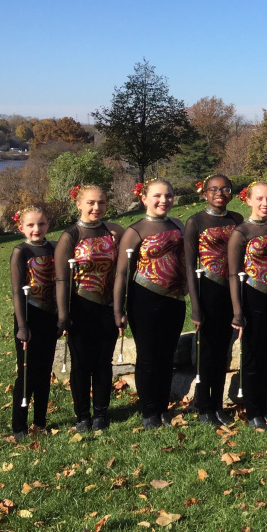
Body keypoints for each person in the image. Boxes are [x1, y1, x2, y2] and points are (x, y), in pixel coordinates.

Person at [115, 179, 186, 429]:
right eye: (157, 196)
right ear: (144, 198)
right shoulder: (135, 231)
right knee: (148, 356)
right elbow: (122, 273)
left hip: (175, 301)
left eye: (168, 195)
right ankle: (149, 412)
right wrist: (118, 309)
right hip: (145, 300)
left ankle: (162, 406)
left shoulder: (178, 225)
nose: (163, 201)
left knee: (167, 357)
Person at [55, 185, 123, 432]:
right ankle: (82, 415)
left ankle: (101, 414)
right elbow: (61, 279)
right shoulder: (70, 236)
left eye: (102, 202)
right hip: (80, 308)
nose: (97, 208)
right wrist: (63, 316)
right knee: (81, 364)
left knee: (104, 363)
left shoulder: (113, 231)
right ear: (79, 204)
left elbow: (129, 258)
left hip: (107, 306)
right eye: (91, 203)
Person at [228, 180, 267, 429]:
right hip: (251, 299)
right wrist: (237, 311)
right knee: (252, 356)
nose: (266, 203)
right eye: (260, 199)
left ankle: (263, 406)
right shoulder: (240, 233)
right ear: (248, 200)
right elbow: (233, 274)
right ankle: (253, 411)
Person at [185, 174, 243, 426]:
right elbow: (188, 264)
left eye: (225, 189)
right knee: (206, 351)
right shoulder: (195, 221)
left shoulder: (237, 220)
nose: (220, 193)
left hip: (232, 293)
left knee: (223, 351)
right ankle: (203, 406)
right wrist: (196, 306)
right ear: (204, 192)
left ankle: (217, 404)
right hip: (207, 289)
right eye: (214, 189)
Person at [9, 206, 58, 440]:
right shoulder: (21, 252)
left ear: (48, 225)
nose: (36, 229)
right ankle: (19, 425)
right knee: (27, 373)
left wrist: (60, 315)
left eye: (41, 224)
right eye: (30, 225)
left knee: (45, 371)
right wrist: (21, 326)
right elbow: (17, 292)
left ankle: (40, 422)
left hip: (49, 316)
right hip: (29, 316)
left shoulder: (54, 247)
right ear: (22, 228)